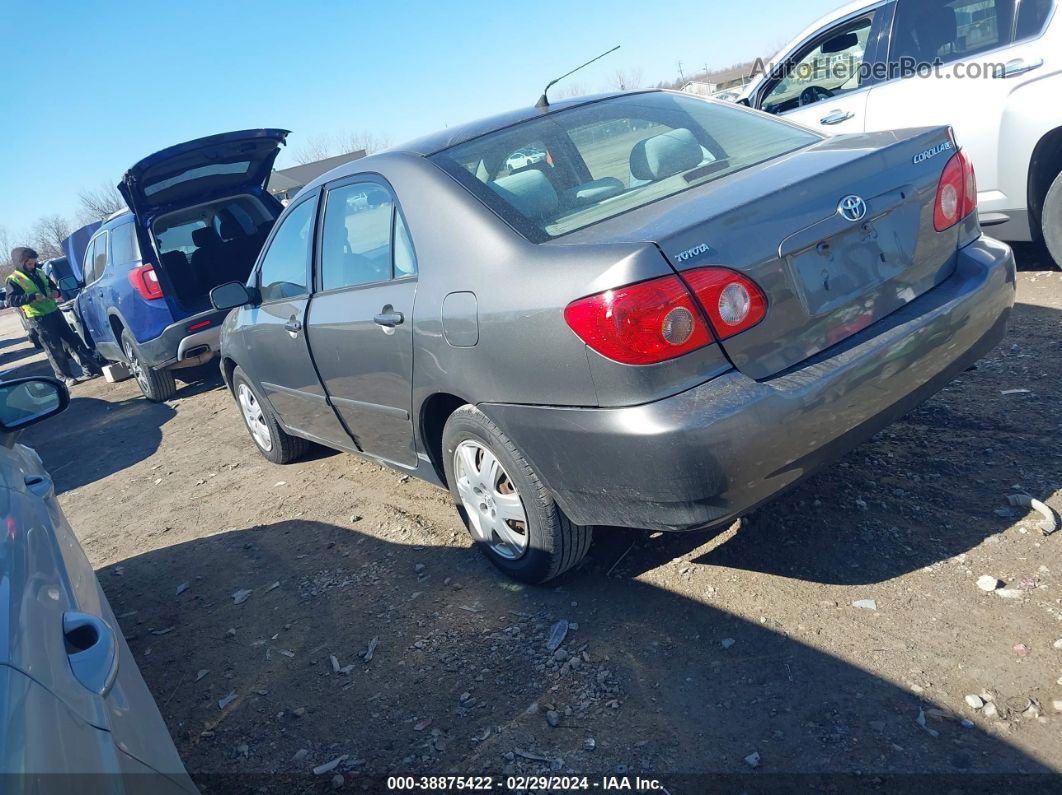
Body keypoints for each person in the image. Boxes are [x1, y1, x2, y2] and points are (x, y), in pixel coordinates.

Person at [6, 247, 102, 387]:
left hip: (54, 310)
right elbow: (11, 300)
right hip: (38, 317)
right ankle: (65, 377)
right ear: (21, 263)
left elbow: (53, 288)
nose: (33, 266)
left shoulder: (39, 272)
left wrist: (55, 293)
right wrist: (32, 297)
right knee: (54, 348)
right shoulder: (13, 280)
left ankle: (91, 369)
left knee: (73, 341)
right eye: (30, 264)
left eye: (34, 263)